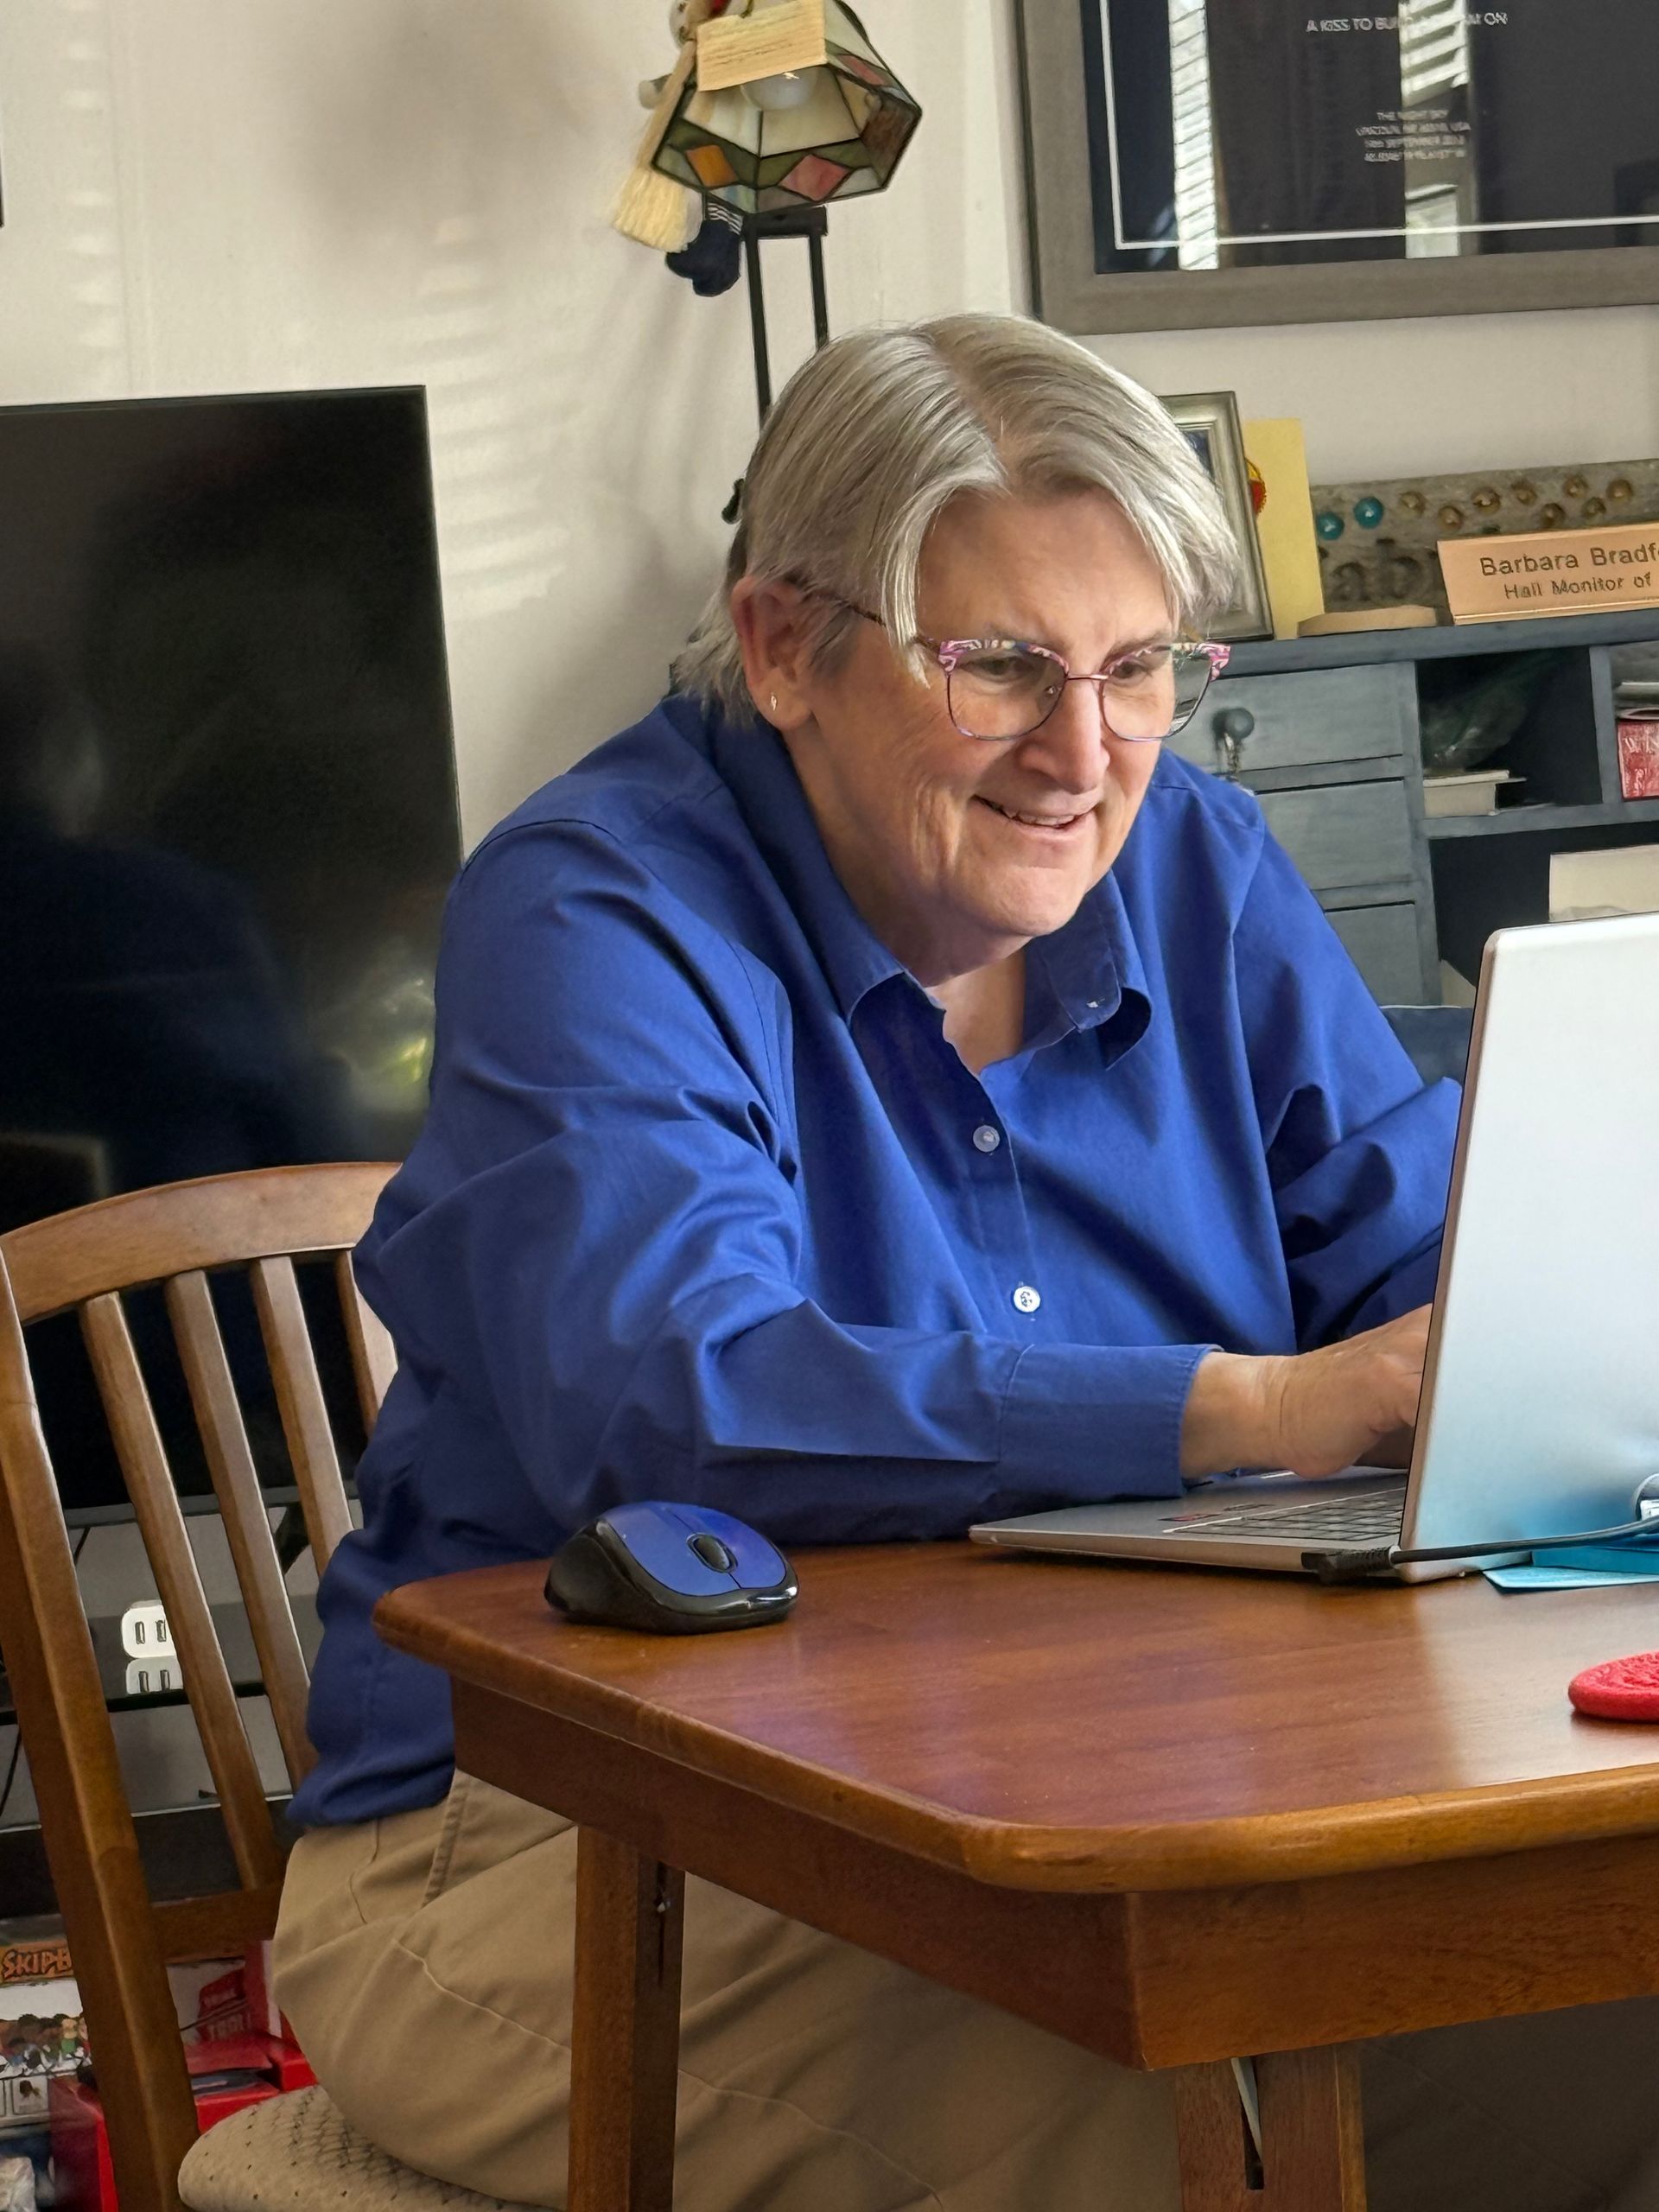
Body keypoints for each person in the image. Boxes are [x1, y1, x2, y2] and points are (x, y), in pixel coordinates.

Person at [274, 315, 1657, 2211]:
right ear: (783, 647)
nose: (1084, 751)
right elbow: (682, 1402)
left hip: (1130, 1819)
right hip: (560, 1851)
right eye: (998, 664)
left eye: (1141, 667)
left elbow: (1442, 1297)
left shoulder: (1202, 862)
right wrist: (1250, 1408)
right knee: (1143, 2120)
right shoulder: (596, 908)